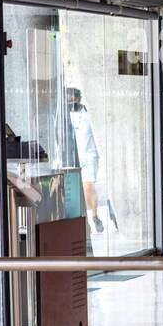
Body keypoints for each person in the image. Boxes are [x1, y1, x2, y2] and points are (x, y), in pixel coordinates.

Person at [67, 87, 105, 234]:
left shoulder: (88, 113)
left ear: (79, 99)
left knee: (88, 188)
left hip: (89, 154)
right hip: (73, 156)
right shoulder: (65, 115)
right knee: (78, 190)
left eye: (74, 101)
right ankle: (85, 220)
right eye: (69, 101)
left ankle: (94, 216)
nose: (72, 104)